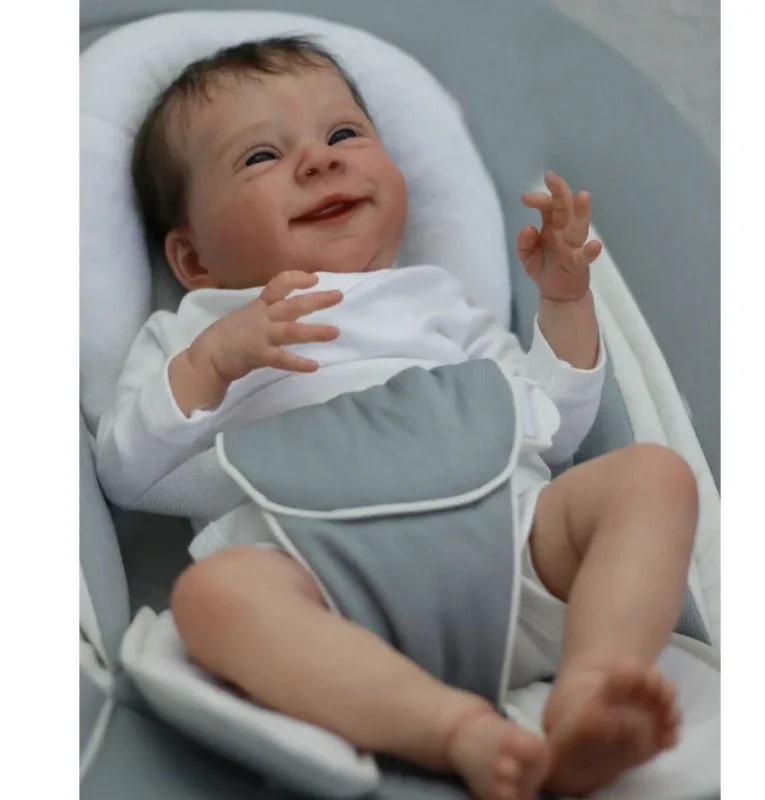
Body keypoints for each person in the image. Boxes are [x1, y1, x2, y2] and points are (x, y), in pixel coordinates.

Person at [96, 36, 698, 799]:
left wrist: (565, 303)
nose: (319, 161)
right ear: (194, 261)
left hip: (510, 559)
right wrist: (214, 363)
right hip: (325, 592)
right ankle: (455, 730)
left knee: (652, 477)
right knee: (212, 599)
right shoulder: (197, 332)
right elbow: (127, 474)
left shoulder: (441, 304)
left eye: (343, 134)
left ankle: (594, 686)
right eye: (261, 157)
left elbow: (550, 428)